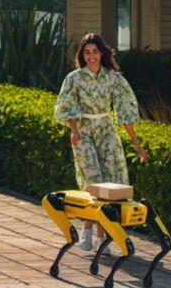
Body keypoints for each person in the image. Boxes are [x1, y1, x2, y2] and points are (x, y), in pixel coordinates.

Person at [53, 35, 150, 216]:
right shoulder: (74, 78)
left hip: (106, 129)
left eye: (95, 52)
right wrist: (74, 131)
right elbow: (67, 106)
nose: (91, 56)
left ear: (101, 53)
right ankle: (89, 225)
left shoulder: (113, 79)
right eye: (87, 52)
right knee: (92, 177)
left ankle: (101, 233)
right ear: (82, 54)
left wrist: (137, 144)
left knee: (111, 178)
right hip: (83, 131)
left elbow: (125, 112)